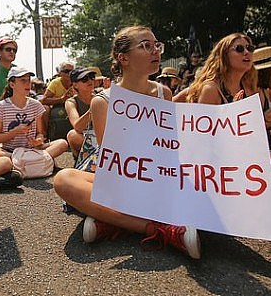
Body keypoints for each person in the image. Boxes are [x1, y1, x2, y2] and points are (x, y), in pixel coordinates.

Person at [54, 25, 200, 259]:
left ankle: (113, 222)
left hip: (158, 177)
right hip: (125, 179)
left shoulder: (165, 93)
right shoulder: (103, 102)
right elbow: (111, 160)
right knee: (63, 180)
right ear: (123, 58)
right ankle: (160, 229)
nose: (155, 52)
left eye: (156, 45)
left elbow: (169, 144)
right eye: (145, 46)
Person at [187, 36, 271, 196]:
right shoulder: (211, 89)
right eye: (240, 49)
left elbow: (253, 131)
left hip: (254, 155)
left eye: (250, 48)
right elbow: (203, 140)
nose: (247, 52)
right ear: (224, 56)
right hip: (225, 163)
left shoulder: (248, 88)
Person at [0, 67, 68, 161]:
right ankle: (35, 160)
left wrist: (38, 141)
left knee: (62, 143)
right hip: (10, 151)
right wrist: (15, 132)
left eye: (29, 80)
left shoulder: (36, 105)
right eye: (23, 81)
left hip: (32, 149)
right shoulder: (1, 106)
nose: (28, 84)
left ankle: (22, 161)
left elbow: (40, 133)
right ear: (12, 84)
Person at [64, 67, 96, 160]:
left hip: (102, 135)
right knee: (72, 135)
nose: (90, 80)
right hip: (85, 136)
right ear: (75, 85)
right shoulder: (71, 102)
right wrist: (94, 108)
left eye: (92, 77)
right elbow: (77, 127)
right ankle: (81, 159)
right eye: (84, 79)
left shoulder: (101, 96)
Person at [41, 61, 75, 131]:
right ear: (60, 73)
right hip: (56, 107)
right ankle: (45, 134)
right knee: (45, 109)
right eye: (66, 71)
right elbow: (43, 100)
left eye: (72, 71)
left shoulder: (77, 82)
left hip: (73, 107)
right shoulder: (55, 83)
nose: (69, 74)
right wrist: (61, 99)